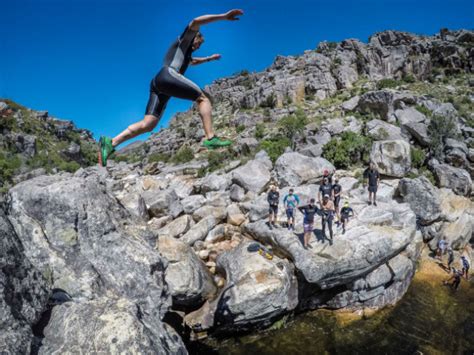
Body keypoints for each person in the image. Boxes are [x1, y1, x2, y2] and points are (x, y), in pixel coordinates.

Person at [98, 9, 244, 166]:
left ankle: (111, 143)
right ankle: (210, 138)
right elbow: (196, 21)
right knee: (203, 99)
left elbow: (192, 61)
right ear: (194, 37)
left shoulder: (185, 53)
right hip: (168, 75)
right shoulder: (185, 39)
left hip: (158, 83)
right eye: (198, 43)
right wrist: (223, 17)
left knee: (148, 124)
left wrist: (209, 58)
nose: (198, 47)